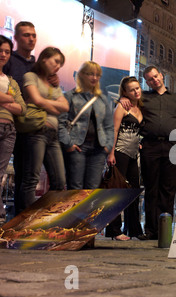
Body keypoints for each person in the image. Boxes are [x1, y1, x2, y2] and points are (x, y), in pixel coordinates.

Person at [138, 66, 176, 240]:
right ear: (146, 82)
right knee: (151, 189)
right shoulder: (143, 98)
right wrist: (123, 99)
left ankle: (165, 230)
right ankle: (151, 230)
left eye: (156, 76)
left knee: (168, 190)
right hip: (150, 146)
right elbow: (128, 104)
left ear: (161, 75)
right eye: (150, 79)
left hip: (173, 147)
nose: (155, 80)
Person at [20, 47, 68, 210]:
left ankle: (46, 219)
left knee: (60, 181)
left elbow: (65, 106)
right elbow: (35, 99)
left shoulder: (53, 85)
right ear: (44, 59)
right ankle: (27, 221)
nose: (57, 66)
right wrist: (54, 107)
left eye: (60, 64)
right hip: (36, 131)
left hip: (52, 135)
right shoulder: (30, 76)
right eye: (56, 61)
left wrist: (45, 103)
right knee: (31, 178)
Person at [58, 61, 114, 190]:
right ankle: (75, 211)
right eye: (90, 74)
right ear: (81, 75)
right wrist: (69, 144)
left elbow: (109, 126)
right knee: (75, 188)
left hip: (99, 149)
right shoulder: (70, 96)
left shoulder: (103, 99)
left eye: (97, 75)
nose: (94, 78)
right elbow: (60, 124)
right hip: (77, 147)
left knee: (92, 189)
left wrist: (107, 147)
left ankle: (89, 212)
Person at [105, 76, 144, 241]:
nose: (136, 91)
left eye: (138, 88)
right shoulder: (122, 106)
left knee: (133, 192)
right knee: (117, 191)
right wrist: (111, 152)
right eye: (132, 89)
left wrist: (138, 143)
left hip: (134, 153)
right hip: (120, 151)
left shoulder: (140, 107)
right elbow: (114, 130)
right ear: (125, 92)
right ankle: (114, 230)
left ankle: (133, 229)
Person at [0, 36, 26, 225]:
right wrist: (10, 100)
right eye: (0, 50)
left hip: (9, 130)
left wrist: (5, 101)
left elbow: (22, 108)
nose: (3, 54)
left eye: (7, 51)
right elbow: (15, 103)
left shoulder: (10, 81)